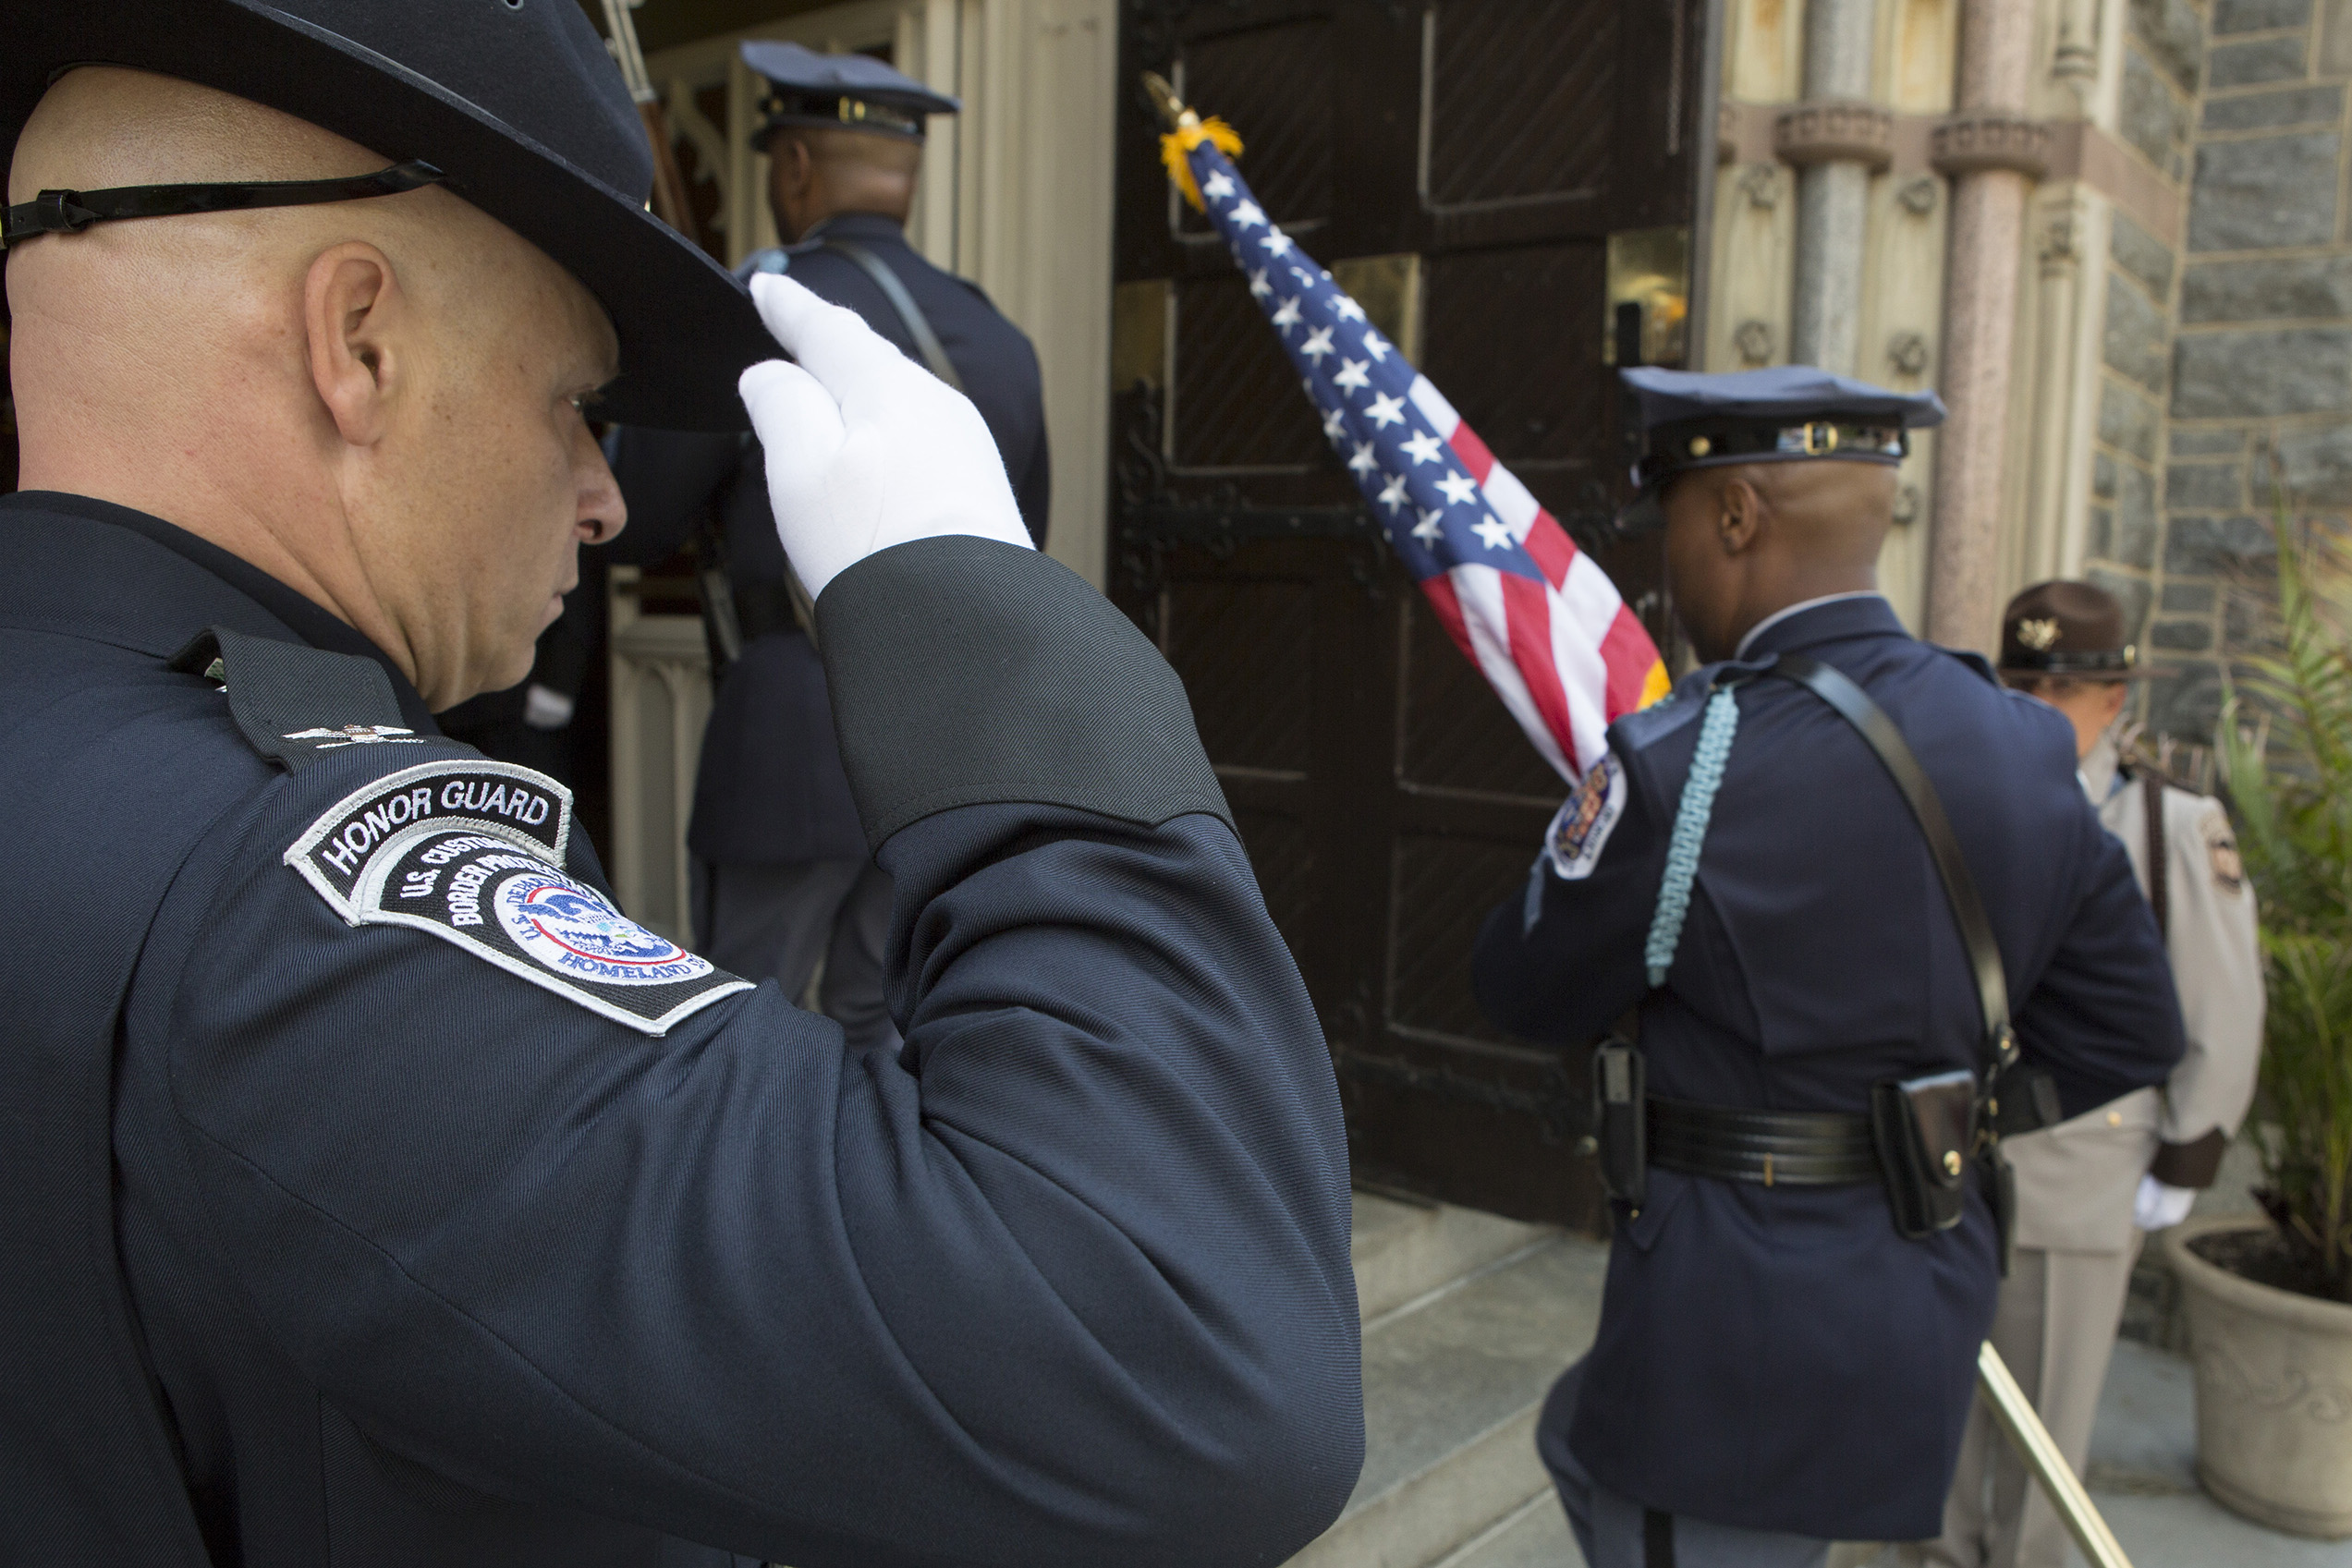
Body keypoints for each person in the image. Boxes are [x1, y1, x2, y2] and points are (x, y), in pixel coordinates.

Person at [0, 6, 1360, 1565]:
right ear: (358, 345)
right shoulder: (293, 907)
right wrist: (986, 617)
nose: (597, 492)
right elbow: (1191, 1350)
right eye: (576, 401)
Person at [1472, 366, 2185, 1568]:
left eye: (1679, 522)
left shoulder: (1688, 759)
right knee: (1578, 1442)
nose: (1671, 560)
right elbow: (2128, 1026)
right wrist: (1927, 1119)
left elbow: (1520, 987)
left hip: (1727, 1323)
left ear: (1737, 517)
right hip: (1916, 1281)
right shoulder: (2020, 741)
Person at [606, 43, 1049, 1050]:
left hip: (788, 738)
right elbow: (1022, 543)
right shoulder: (998, 341)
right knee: (883, 1034)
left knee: (730, 1034)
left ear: (794, 167)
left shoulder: (755, 311)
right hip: (942, 749)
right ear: (906, 173)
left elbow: (636, 519)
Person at [1919, 579, 2264, 1568]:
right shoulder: (1958, 797)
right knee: (1943, 1397)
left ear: (2111, 699)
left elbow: (2220, 999)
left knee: (2045, 1420)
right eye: (2017, 679)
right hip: (1948, 1154)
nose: (2033, 704)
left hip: (2083, 1164)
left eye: (2058, 688)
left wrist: (2188, 1155)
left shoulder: (2171, 819)